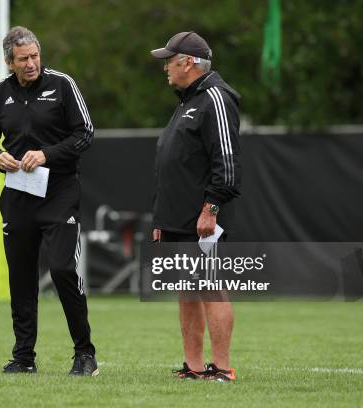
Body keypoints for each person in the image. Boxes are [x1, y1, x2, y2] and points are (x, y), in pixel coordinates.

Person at [0, 26, 98, 376]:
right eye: (23, 59)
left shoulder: (62, 85)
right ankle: (24, 357)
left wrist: (46, 155)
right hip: (17, 193)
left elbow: (85, 133)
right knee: (20, 276)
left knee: (62, 268)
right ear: (9, 62)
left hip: (60, 191)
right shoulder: (0, 93)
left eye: (35, 56)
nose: (31, 64)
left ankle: (85, 354)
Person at [150, 31, 241, 382]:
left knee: (210, 287)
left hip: (203, 216)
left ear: (188, 62)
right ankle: (195, 367)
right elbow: (172, 165)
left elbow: (227, 162)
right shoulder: (187, 100)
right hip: (176, 215)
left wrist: (212, 208)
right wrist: (162, 215)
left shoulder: (216, 97)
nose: (166, 69)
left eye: (169, 62)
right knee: (186, 288)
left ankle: (222, 368)